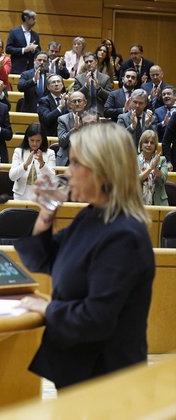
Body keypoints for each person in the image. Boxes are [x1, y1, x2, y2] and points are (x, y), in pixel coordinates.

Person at [15, 122, 154, 390]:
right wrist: (46, 213)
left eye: (76, 163)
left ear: (103, 170)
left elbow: (96, 319)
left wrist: (47, 308)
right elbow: (40, 261)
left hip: (104, 379)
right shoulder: (90, 216)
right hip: (76, 369)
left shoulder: (123, 235)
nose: (67, 172)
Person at [9, 122, 55, 200]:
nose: (34, 143)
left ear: (42, 140)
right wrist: (25, 165)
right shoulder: (18, 151)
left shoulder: (50, 153)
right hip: (20, 195)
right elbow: (12, 176)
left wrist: (42, 164)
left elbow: (52, 178)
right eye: (32, 140)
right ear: (27, 139)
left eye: (38, 141)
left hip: (42, 196)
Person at [72, 52, 113, 116]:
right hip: (83, 112)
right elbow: (74, 97)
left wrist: (98, 88)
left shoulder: (105, 78)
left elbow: (110, 97)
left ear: (96, 61)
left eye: (91, 61)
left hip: (100, 112)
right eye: (86, 62)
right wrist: (86, 86)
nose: (89, 64)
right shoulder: (79, 78)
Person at [56, 92, 90, 166]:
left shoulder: (91, 118)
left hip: (87, 158)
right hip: (67, 159)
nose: (77, 104)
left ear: (85, 102)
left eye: (79, 101)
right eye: (74, 101)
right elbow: (62, 143)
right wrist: (74, 130)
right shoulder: (62, 119)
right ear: (70, 104)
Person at [137, 129, 168, 206]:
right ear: (141, 145)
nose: (149, 145)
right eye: (146, 142)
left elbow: (163, 181)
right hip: (137, 204)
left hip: (158, 203)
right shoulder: (133, 160)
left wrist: (156, 168)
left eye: (152, 143)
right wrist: (150, 168)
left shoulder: (162, 160)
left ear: (155, 146)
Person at [5, 9, 40, 74]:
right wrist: (24, 50)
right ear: (26, 19)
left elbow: (39, 51)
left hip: (31, 69)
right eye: (33, 19)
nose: (35, 21)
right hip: (17, 69)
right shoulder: (14, 32)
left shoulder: (35, 35)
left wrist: (34, 50)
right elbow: (8, 49)